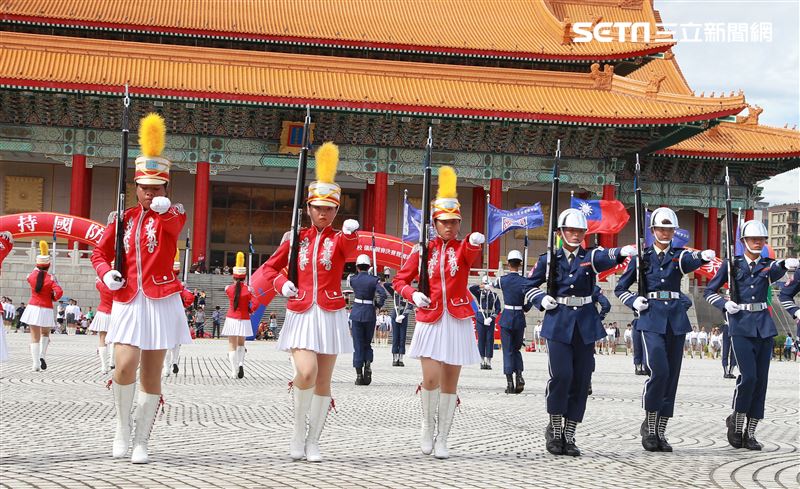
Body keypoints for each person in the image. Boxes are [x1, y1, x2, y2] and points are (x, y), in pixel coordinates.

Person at [250, 141, 359, 462]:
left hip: (330, 312)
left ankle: (314, 440)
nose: (323, 213)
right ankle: (298, 432)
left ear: (337, 210)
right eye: (318, 207)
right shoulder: (296, 238)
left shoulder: (339, 240)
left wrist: (351, 234)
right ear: (308, 208)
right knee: (307, 372)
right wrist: (282, 283)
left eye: (330, 208)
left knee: (323, 380)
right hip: (300, 312)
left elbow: (350, 254)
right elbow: (270, 267)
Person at [91, 113, 189, 464]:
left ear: (166, 188)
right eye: (145, 187)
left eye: (157, 187)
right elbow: (99, 253)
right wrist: (107, 274)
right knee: (124, 364)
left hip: (161, 299)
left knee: (151, 371)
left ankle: (142, 439)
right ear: (135, 187)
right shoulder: (122, 219)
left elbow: (174, 226)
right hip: (128, 298)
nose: (151, 192)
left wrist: (162, 210)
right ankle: (122, 427)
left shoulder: (173, 213)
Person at [392, 166, 484, 459]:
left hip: (456, 319)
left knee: (450, 383)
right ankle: (426, 426)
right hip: (429, 317)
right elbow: (399, 281)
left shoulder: (461, 248)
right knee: (429, 378)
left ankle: (444, 436)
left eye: (454, 222)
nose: (450, 227)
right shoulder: (422, 250)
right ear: (434, 223)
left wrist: (472, 241)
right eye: (444, 222)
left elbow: (470, 252)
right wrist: (413, 294)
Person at [527, 209, 634, 456]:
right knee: (562, 376)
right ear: (561, 233)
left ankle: (569, 433)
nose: (575, 235)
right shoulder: (549, 259)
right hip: (559, 322)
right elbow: (528, 285)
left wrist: (621, 252)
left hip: (584, 324)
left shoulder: (589, 257)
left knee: (581, 379)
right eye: (570, 231)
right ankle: (554, 429)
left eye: (579, 231)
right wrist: (541, 298)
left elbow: (606, 255)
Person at [615, 207, 715, 453]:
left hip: (675, 320)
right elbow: (620, 288)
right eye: (661, 228)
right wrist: (632, 301)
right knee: (659, 371)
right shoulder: (642, 258)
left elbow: (691, 261)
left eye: (670, 229)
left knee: (672, 376)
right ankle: (649, 424)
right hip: (650, 319)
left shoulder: (679, 256)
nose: (665, 232)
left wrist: (702, 256)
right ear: (652, 231)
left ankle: (661, 430)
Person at [704, 220, 795, 450]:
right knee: (749, 377)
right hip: (740, 325)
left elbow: (778, 268)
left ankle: (751, 432)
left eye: (761, 239)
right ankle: (736, 420)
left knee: (761, 381)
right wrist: (725, 305)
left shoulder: (767, 265)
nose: (758, 242)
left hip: (763, 326)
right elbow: (709, 291)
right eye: (753, 239)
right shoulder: (731, 265)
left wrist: (785, 262)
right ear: (743, 241)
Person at [21, 241, 63, 372]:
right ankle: (42, 355)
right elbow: (59, 292)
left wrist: (42, 261)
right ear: (49, 265)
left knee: (34, 337)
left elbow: (35, 271)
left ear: (37, 265)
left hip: (33, 307)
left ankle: (35, 364)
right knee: (45, 333)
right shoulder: (51, 278)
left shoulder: (31, 276)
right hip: (46, 308)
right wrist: (53, 297)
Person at [497, 250, 535, 394]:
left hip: (506, 317)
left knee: (507, 351)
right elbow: (532, 296)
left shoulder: (503, 280)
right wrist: (526, 307)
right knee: (516, 349)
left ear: (508, 263)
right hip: (519, 316)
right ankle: (519, 375)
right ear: (520, 264)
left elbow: (492, 284)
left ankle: (509, 383)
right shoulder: (525, 281)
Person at [348, 254, 387, 385]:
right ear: (369, 266)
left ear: (357, 267)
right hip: (370, 313)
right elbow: (382, 294)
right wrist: (377, 305)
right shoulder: (374, 280)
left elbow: (354, 282)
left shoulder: (353, 279)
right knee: (367, 343)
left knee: (358, 344)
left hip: (357, 312)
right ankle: (368, 364)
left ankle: (359, 375)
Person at [164, 251, 195, 377]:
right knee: (177, 341)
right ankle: (175, 361)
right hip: (178, 313)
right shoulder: (180, 285)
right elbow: (190, 298)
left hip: (166, 313)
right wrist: (185, 304)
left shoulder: (164, 283)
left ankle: (166, 368)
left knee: (166, 341)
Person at [222, 252, 252, 379]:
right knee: (241, 344)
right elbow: (253, 304)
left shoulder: (228, 288)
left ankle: (233, 371)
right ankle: (240, 363)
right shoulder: (249, 290)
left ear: (234, 277)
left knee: (231, 345)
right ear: (244, 277)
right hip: (244, 318)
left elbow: (232, 291)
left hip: (231, 318)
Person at [469, 275, 500, 370]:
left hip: (489, 318)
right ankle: (482, 360)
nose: (486, 285)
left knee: (490, 340)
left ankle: (489, 361)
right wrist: (481, 286)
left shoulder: (494, 295)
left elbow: (498, 308)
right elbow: (471, 288)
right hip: (481, 318)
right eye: (484, 283)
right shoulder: (479, 293)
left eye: (487, 284)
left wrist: (491, 318)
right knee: (481, 339)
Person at [384, 271, 413, 367]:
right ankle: (394, 357)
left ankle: (401, 358)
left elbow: (411, 305)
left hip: (403, 316)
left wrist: (404, 315)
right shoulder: (395, 293)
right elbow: (386, 285)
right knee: (395, 337)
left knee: (402, 338)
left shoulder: (409, 293)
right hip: (395, 316)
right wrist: (397, 283)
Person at [89, 274, 114, 373]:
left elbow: (98, 278)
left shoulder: (101, 284)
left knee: (102, 339)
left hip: (103, 312)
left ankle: (104, 366)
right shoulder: (120, 286)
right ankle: (112, 361)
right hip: (115, 313)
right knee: (114, 340)